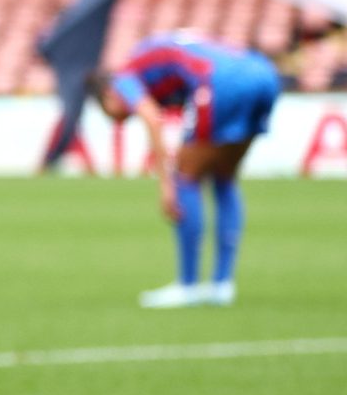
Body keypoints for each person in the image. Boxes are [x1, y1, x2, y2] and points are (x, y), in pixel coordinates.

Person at [88, 33, 282, 307]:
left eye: (110, 111)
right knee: (224, 177)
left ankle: (188, 286)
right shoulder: (160, 61)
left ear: (108, 94)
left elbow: (152, 119)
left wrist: (165, 185)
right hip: (264, 74)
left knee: (185, 178)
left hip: (221, 81)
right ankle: (221, 285)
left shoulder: (124, 77)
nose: (119, 118)